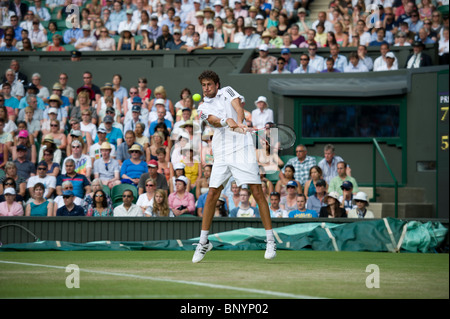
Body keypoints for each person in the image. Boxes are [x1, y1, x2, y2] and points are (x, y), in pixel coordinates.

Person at [193, 70, 276, 262]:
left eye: (209, 85)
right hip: (221, 152)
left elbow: (237, 107)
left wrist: (239, 123)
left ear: (216, 85)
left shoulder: (228, 91)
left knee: (256, 191)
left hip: (243, 148)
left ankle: (270, 240)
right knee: (212, 193)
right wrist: (226, 121)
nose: (206, 88)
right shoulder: (202, 107)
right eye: (203, 85)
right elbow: (214, 120)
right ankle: (203, 242)